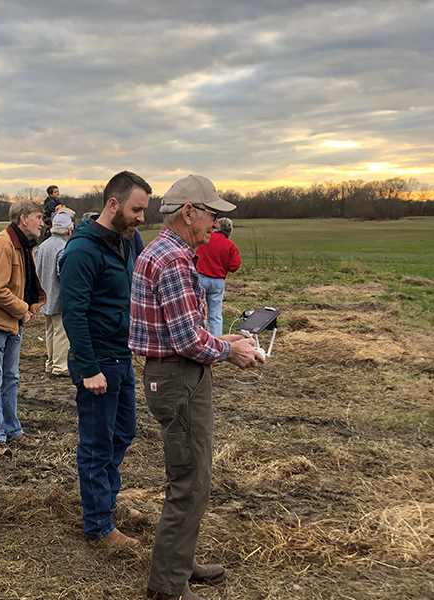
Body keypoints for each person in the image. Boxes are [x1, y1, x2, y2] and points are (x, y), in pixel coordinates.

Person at [129, 174, 261, 600]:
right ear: (189, 212)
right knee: (190, 480)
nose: (215, 224)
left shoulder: (162, 252)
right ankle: (167, 587)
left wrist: (224, 339)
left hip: (173, 373)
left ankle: (179, 564)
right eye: (211, 214)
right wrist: (231, 352)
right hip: (178, 378)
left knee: (192, 475)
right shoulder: (175, 260)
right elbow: (187, 340)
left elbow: (180, 331)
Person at [59, 171, 151, 546]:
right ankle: (98, 526)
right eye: (137, 209)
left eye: (144, 210)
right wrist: (91, 368)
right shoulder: (81, 251)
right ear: (112, 204)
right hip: (97, 362)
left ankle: (107, 500)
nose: (142, 217)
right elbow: (73, 313)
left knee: (123, 432)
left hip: (122, 355)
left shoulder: (129, 239)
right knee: (97, 444)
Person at [0, 200, 46, 456]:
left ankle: (13, 432)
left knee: (11, 379)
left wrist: (27, 310)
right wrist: (22, 310)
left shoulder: (23, 246)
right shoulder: (4, 244)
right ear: (24, 219)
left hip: (12, 324)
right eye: (39, 217)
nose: (42, 222)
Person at [34, 206, 76, 378]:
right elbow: (63, 274)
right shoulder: (64, 247)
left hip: (45, 296)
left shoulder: (43, 246)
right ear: (69, 229)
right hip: (59, 297)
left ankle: (51, 363)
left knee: (50, 331)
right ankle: (60, 366)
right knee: (61, 332)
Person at [195, 217, 241, 335]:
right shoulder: (230, 245)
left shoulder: (205, 240)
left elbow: (195, 256)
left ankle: (200, 338)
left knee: (198, 312)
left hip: (201, 278)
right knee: (216, 315)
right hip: (218, 281)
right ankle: (216, 342)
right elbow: (234, 266)